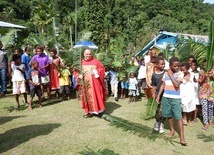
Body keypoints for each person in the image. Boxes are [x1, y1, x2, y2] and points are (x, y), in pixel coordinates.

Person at [156, 57, 187, 146]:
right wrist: (158, 96)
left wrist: (170, 75)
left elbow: (177, 85)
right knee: (169, 115)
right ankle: (172, 130)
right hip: (166, 97)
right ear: (170, 66)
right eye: (175, 66)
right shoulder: (166, 73)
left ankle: (182, 137)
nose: (177, 67)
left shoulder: (180, 74)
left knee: (178, 117)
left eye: (178, 66)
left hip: (176, 98)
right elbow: (163, 84)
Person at [79, 49, 106, 118]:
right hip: (85, 84)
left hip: (95, 84)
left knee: (97, 95)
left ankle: (99, 111)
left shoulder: (96, 61)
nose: (88, 55)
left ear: (92, 54)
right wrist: (79, 75)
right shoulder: (80, 62)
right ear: (84, 54)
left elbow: (102, 69)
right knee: (86, 97)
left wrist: (95, 72)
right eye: (87, 54)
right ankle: (88, 112)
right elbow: (76, 71)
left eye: (89, 54)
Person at [151, 56, 165, 133]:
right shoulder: (154, 75)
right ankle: (157, 122)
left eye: (164, 64)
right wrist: (153, 93)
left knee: (163, 110)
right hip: (157, 94)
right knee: (157, 110)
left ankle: (162, 124)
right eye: (161, 64)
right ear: (156, 64)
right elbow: (153, 85)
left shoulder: (165, 73)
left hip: (164, 95)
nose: (163, 65)